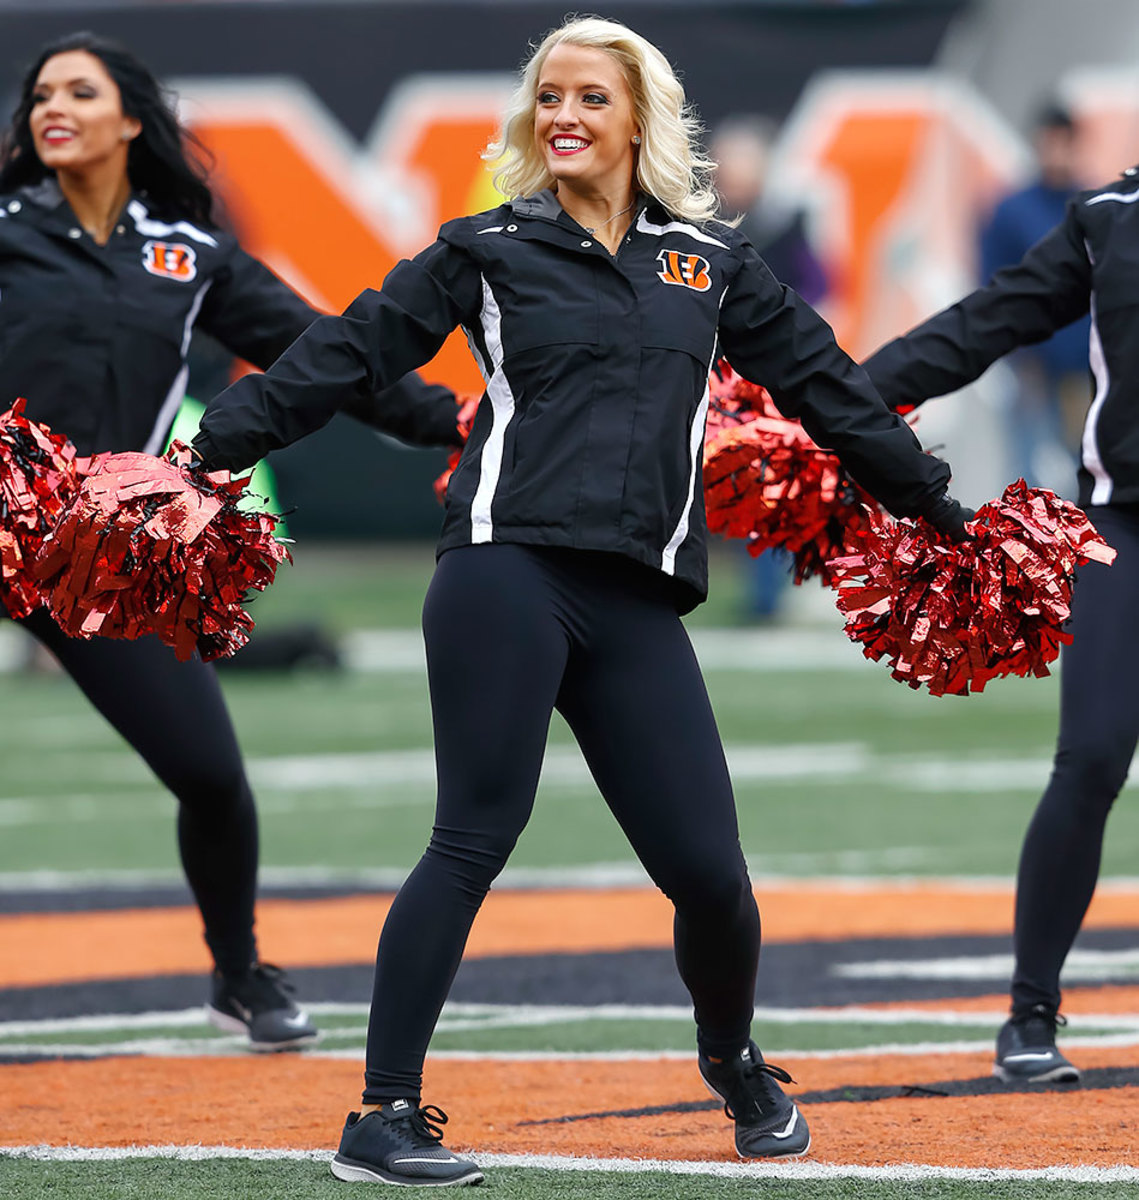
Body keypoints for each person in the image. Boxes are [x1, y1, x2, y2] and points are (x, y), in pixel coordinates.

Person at [191, 15, 969, 1183]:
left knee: (711, 876)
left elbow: (827, 389)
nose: (563, 114)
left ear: (639, 119)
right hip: (504, 570)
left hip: (635, 600)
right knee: (472, 836)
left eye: (591, 98)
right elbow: (344, 354)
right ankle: (382, 1114)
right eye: (548, 95)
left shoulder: (706, 264)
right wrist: (209, 448)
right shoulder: (486, 247)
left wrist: (940, 511)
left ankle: (732, 1058)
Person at [0, 31, 461, 1050]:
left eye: (79, 90)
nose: (51, 106)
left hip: (93, 545)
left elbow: (320, 352)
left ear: (131, 120)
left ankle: (237, 970)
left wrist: (456, 422)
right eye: (39, 94)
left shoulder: (188, 252)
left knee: (210, 772)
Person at [862, 161, 1139, 1086]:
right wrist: (845, 397)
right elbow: (988, 322)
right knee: (1093, 754)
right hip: (1124, 522)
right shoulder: (1110, 217)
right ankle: (1030, 1011)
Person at [709, 115, 829, 621]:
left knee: (768, 480)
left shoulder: (782, 226)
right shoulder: (700, 224)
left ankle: (771, 595)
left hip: (770, 376)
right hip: (718, 377)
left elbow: (820, 289)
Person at [979, 101, 1090, 495]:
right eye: (1049, 142)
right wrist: (1016, 351)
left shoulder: (1091, 207)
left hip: (1083, 364)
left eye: (1063, 143)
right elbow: (992, 285)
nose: (1055, 152)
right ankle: (1024, 553)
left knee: (1087, 464)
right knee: (1026, 470)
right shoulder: (1011, 211)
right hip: (1029, 363)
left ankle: (1089, 550)